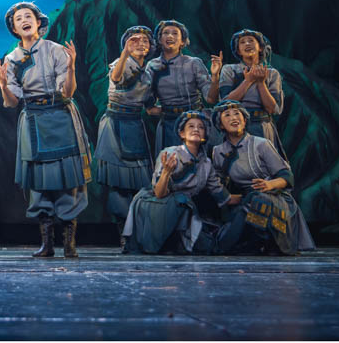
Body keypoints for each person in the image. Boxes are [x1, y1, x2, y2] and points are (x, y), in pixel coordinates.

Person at [0, 1, 91, 259]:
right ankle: (46, 243)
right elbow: (12, 102)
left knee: (67, 178)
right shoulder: (12, 60)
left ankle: (69, 243)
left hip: (61, 115)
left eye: (28, 16)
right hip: (33, 120)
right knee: (38, 181)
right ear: (14, 29)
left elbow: (67, 92)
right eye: (18, 19)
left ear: (38, 22)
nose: (24, 21)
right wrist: (3, 85)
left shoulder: (56, 50)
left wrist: (71, 67)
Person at [122, 110, 240, 254]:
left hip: (184, 211)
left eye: (201, 127)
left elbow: (222, 196)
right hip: (157, 206)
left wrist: (248, 197)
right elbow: (159, 193)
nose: (196, 129)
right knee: (181, 200)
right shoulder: (171, 154)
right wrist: (166, 172)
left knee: (209, 246)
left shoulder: (206, 164)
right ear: (182, 134)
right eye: (191, 126)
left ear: (204, 136)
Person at [211, 100, 313, 255]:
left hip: (274, 197)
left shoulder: (261, 144)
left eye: (237, 114)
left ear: (245, 121)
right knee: (225, 239)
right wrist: (228, 197)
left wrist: (269, 185)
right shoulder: (218, 151)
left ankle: (266, 242)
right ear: (220, 125)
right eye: (227, 115)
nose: (234, 118)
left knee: (259, 199)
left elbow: (287, 177)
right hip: (246, 200)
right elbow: (218, 182)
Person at [94, 26, 157, 246]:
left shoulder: (148, 72)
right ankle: (123, 232)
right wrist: (124, 53)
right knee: (118, 182)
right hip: (115, 124)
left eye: (145, 41)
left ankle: (138, 230)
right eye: (134, 40)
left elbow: (151, 107)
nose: (140, 44)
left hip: (135, 125)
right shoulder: (120, 63)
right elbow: (117, 77)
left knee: (140, 182)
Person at [146, 20, 221, 151]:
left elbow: (211, 99)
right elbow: (148, 104)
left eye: (175, 33)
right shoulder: (152, 66)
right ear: (159, 40)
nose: (170, 36)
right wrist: (164, 110)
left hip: (196, 121)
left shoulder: (194, 63)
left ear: (182, 41)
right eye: (166, 33)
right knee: (171, 160)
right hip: (169, 125)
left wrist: (215, 77)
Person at [216, 29, 288, 161]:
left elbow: (273, 109)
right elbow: (225, 103)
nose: (247, 44)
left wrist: (261, 83)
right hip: (237, 126)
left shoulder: (272, 74)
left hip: (263, 126)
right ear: (238, 50)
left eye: (251, 41)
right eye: (242, 42)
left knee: (265, 163)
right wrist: (248, 81)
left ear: (260, 47)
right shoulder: (230, 70)